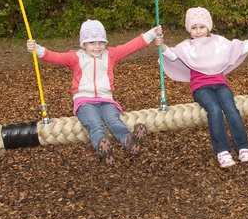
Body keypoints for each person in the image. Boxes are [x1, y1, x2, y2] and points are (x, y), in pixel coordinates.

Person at [27, 19, 161, 166]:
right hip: (84, 101)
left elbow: (131, 46)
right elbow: (54, 57)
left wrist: (152, 33)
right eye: (92, 43)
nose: (97, 47)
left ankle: (129, 142)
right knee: (95, 124)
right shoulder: (76, 57)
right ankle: (102, 148)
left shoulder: (111, 55)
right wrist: (37, 49)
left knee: (114, 121)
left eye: (101, 42)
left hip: (106, 100)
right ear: (83, 44)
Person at [155, 7, 248, 168]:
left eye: (201, 27)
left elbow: (240, 48)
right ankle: (222, 151)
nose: (198, 31)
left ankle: (243, 147)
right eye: (194, 27)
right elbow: (173, 56)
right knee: (214, 109)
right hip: (201, 88)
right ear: (189, 29)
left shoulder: (218, 42)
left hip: (221, 85)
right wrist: (163, 47)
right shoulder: (187, 46)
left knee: (231, 109)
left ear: (209, 27)